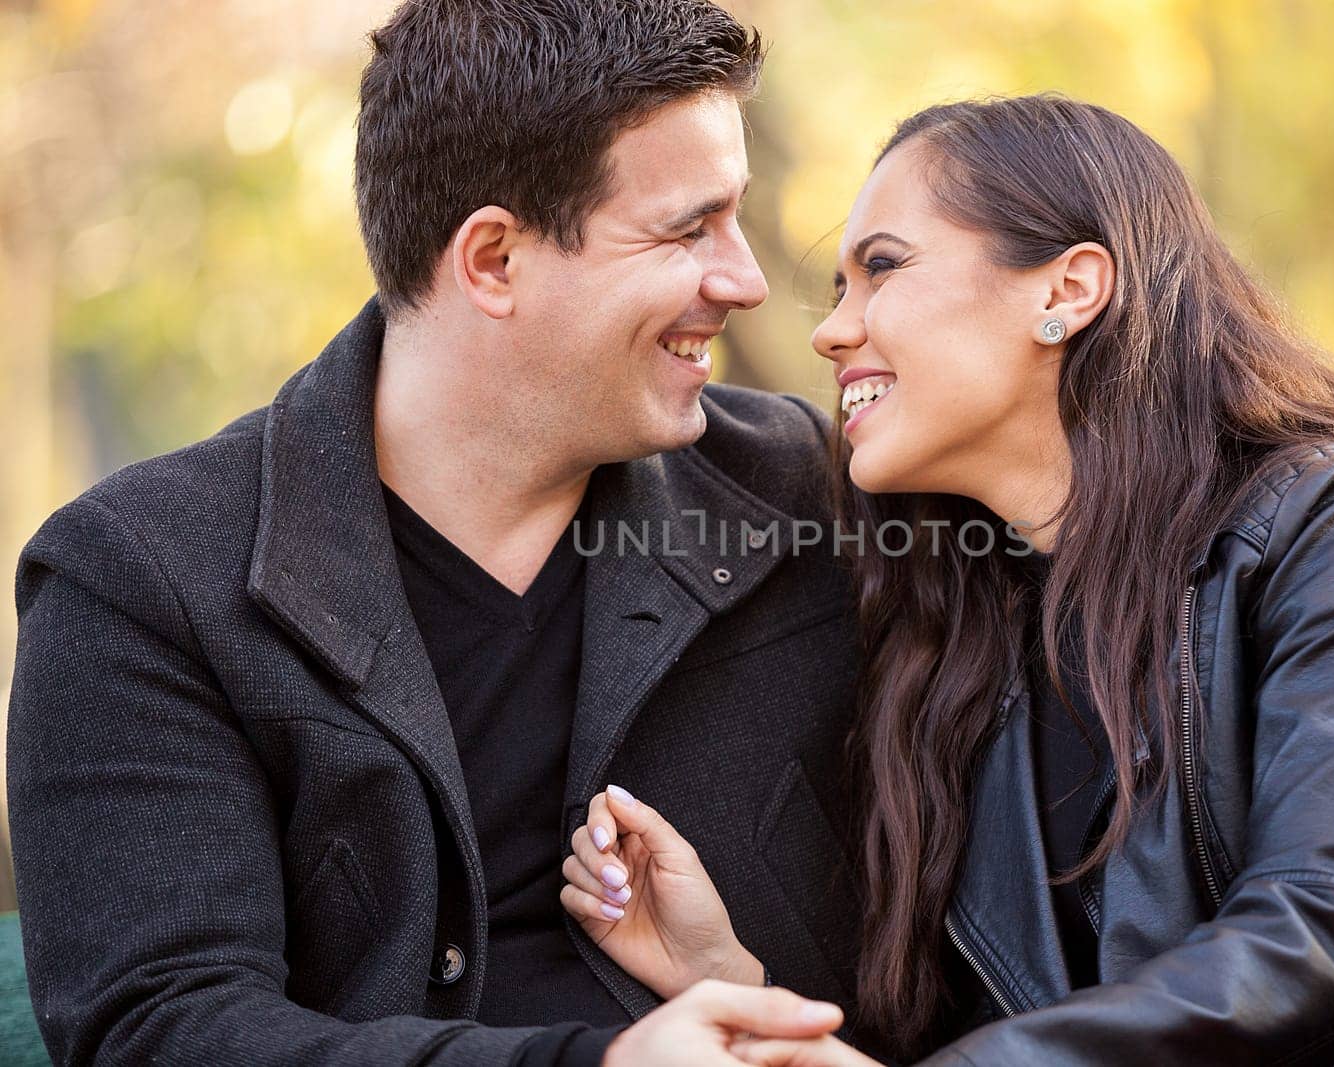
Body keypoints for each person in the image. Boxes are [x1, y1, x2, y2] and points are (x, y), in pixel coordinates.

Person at [561, 94, 1334, 1065]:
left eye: (882, 267)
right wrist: (730, 981)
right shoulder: (968, 636)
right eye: (839, 288)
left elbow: (1321, 933)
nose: (833, 328)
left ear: (1068, 290)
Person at [6, 2, 866, 1065]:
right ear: (494, 259)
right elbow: (163, 1030)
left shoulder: (808, 494)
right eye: (689, 228)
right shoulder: (141, 582)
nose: (741, 278)